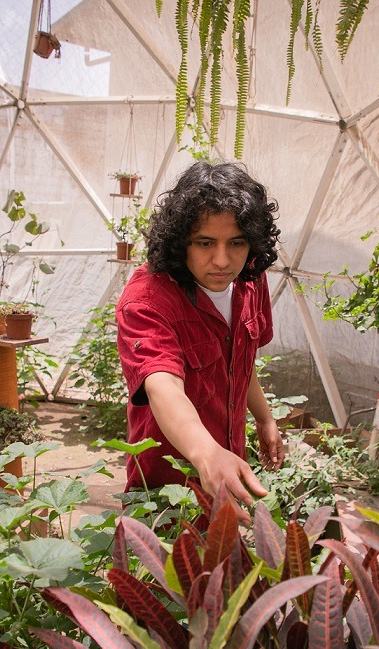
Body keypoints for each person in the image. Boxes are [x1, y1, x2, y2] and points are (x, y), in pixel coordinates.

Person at [115, 161, 285, 523]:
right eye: (205, 243)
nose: (222, 261)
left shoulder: (251, 280)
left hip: (230, 467)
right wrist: (206, 452)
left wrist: (265, 419)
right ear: (181, 241)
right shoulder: (147, 299)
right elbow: (163, 384)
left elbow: (241, 359)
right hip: (165, 493)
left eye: (236, 243)